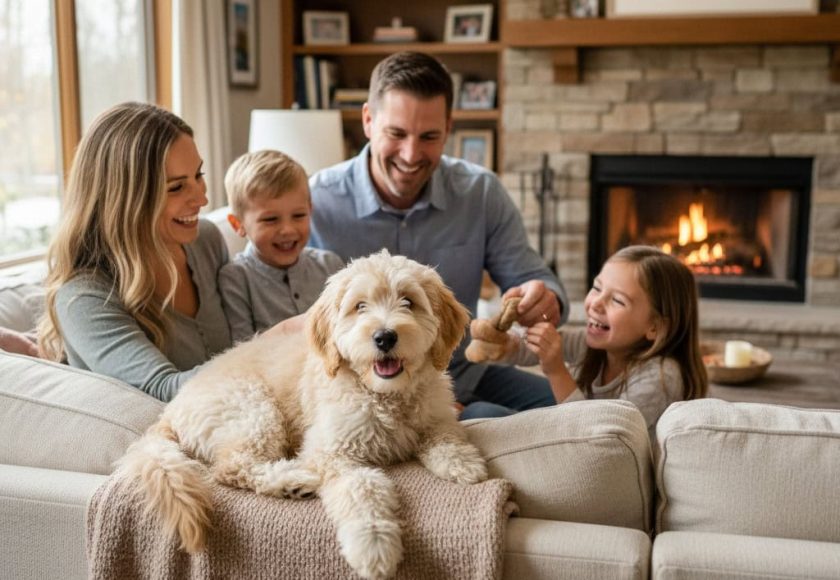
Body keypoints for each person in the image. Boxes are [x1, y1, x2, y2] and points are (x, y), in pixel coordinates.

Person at [307, 51, 570, 419]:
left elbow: (535, 279)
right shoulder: (315, 201)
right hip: (361, 393)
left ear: (448, 127)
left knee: (579, 408)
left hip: (465, 370)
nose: (411, 154)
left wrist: (544, 299)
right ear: (368, 120)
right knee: (491, 420)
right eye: (396, 134)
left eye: (429, 136)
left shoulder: (480, 192)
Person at [38, 102, 232, 402]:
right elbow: (163, 391)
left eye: (199, 175)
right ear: (127, 200)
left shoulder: (206, 241)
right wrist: (267, 349)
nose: (202, 198)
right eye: (177, 187)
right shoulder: (84, 298)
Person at [471, 245, 708, 436]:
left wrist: (556, 371)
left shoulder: (661, 378)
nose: (595, 303)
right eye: (596, 288)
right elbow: (529, 348)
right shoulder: (599, 346)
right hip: (581, 441)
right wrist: (503, 344)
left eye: (617, 300)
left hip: (613, 471)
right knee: (478, 413)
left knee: (480, 414)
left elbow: (594, 437)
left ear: (654, 327)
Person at [219, 150, 343, 343]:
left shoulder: (330, 264)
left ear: (310, 210)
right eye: (270, 219)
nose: (287, 229)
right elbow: (241, 352)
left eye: (299, 216)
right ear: (238, 224)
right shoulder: (235, 278)